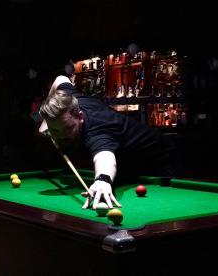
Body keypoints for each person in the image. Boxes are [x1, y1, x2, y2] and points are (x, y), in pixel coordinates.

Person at [39, 75, 178, 210]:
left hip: (158, 158)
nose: (61, 135)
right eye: (55, 130)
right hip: (128, 157)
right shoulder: (67, 100)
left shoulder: (97, 129)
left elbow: (104, 157)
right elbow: (61, 79)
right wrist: (46, 121)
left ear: (80, 116)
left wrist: (103, 180)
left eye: (67, 128)